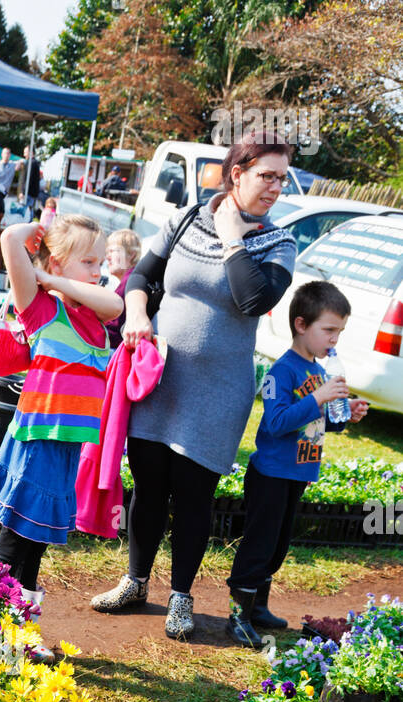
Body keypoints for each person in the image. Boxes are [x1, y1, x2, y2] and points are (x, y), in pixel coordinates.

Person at [90, 135, 297, 640]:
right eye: (266, 175)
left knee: (194, 492)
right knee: (149, 484)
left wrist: (232, 238)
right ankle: (136, 582)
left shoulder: (279, 243)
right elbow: (141, 273)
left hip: (219, 389)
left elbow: (252, 300)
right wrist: (137, 311)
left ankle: (180, 596)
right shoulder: (185, 219)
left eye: (281, 177)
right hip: (160, 376)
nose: (276, 186)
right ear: (236, 174)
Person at [0, 214, 123, 641]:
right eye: (88, 262)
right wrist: (39, 254)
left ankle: (18, 632)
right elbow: (9, 240)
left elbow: (116, 304)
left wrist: (52, 274)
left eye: (101, 263)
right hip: (38, 440)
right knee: (13, 543)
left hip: (63, 450)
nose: (99, 272)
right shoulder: (44, 310)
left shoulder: (97, 318)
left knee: (33, 546)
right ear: (58, 264)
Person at [226, 281, 369, 647]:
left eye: (339, 331)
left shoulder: (317, 371)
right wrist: (318, 397)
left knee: (278, 545)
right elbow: (276, 423)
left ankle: (258, 606)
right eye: (329, 330)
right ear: (302, 325)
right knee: (259, 544)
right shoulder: (284, 371)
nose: (334, 339)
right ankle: (237, 615)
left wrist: (344, 415)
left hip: (297, 473)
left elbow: (315, 420)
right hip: (271, 473)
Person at [102, 229, 142, 348]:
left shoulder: (131, 282)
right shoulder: (131, 280)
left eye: (112, 251)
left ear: (131, 254)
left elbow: (114, 330)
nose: (107, 258)